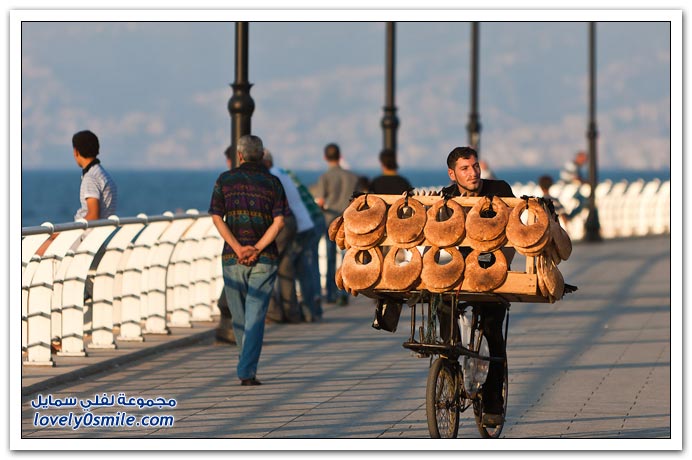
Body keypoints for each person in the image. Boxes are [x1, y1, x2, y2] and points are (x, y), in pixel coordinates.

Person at [439, 146, 514, 428]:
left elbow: (516, 227)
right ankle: (449, 367)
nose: (472, 173)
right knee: (443, 314)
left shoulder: (499, 189)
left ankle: (493, 401)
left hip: (491, 272)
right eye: (465, 169)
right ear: (452, 174)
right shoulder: (446, 196)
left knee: (493, 332)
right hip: (459, 274)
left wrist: (502, 266)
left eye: (475, 167)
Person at [209, 134, 290, 386]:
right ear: (262, 154)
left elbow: (216, 217)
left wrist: (237, 248)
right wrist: (256, 248)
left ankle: (245, 366)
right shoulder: (273, 182)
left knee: (239, 317)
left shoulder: (224, 180)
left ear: (240, 155)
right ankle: (247, 371)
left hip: (232, 259)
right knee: (255, 316)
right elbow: (280, 221)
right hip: (264, 258)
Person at [37, 130, 118, 256]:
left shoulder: (91, 178)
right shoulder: (104, 175)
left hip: (85, 239)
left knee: (34, 249)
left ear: (76, 151)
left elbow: (93, 215)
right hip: (98, 238)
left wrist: (64, 232)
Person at [263, 150, 312, 324]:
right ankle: (292, 312)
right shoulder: (280, 171)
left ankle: (273, 313)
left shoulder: (271, 175)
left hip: (284, 222)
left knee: (267, 265)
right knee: (285, 266)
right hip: (297, 221)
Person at [313, 143, 359, 306]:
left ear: (325, 157)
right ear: (340, 156)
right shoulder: (353, 177)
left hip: (330, 221)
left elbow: (320, 201)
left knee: (331, 256)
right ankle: (345, 290)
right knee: (347, 257)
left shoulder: (325, 178)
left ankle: (332, 293)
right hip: (349, 221)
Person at [281, 169, 326, 322]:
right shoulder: (286, 173)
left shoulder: (271, 176)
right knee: (307, 267)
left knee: (288, 267)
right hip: (312, 221)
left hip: (298, 227)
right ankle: (313, 308)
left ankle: (295, 310)